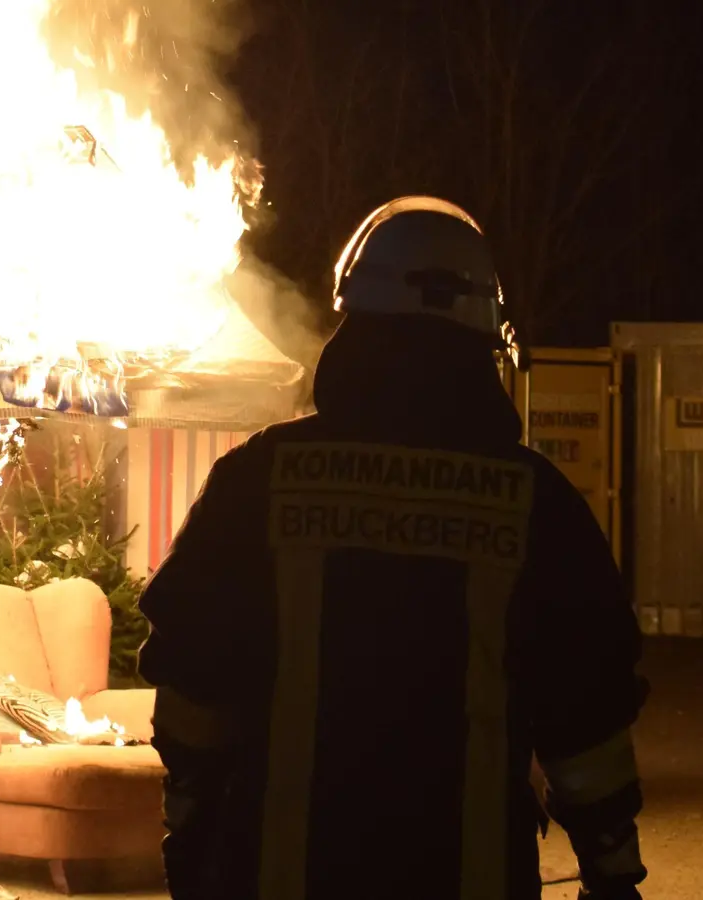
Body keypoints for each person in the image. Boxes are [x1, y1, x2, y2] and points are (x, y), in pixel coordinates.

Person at [136, 196, 648, 900]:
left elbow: (194, 684)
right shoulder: (537, 502)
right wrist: (612, 872)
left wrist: (189, 831)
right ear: (485, 341)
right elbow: (587, 719)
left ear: (353, 323)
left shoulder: (259, 479)